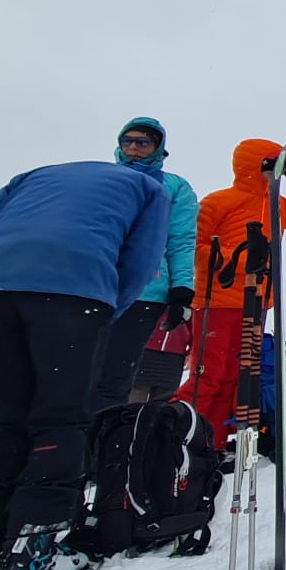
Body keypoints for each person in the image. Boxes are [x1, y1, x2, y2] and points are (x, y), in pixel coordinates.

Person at [0, 160, 171, 570]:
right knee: (64, 414)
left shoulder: (32, 176)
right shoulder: (151, 190)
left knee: (9, 415)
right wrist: (109, 306)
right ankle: (34, 542)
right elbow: (142, 260)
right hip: (73, 288)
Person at [177, 139, 286, 448]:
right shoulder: (218, 202)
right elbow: (193, 246)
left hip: (256, 305)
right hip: (216, 304)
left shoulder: (278, 205)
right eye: (279, 166)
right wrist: (240, 260)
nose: (282, 174)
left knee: (237, 379)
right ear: (258, 165)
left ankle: (211, 445)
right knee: (208, 377)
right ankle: (177, 436)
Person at [88, 118, 198, 412]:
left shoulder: (174, 187)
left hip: (146, 290)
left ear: (158, 147)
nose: (134, 148)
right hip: (96, 285)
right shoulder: (103, 178)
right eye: (128, 141)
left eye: (143, 142)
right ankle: (79, 437)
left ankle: (103, 438)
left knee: (116, 377)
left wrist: (182, 290)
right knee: (82, 372)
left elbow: (181, 240)